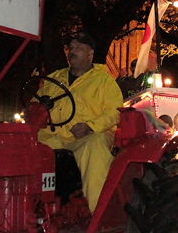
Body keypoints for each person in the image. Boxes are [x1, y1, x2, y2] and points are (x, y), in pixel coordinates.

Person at [36, 32, 123, 213]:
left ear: (90, 54)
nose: (72, 52)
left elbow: (115, 112)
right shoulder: (53, 79)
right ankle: (29, 209)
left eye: (78, 48)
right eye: (71, 47)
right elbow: (36, 107)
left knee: (94, 146)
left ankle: (100, 213)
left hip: (84, 138)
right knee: (19, 147)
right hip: (53, 137)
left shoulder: (104, 81)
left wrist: (90, 126)